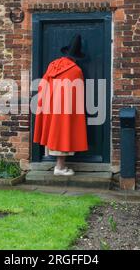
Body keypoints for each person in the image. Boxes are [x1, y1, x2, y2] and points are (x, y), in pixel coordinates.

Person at [33, 34, 88, 176]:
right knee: (63, 134)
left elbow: (42, 86)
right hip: (65, 108)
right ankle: (60, 167)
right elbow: (77, 94)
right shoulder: (76, 70)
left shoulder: (52, 65)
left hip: (50, 106)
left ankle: (60, 166)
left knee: (54, 133)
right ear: (76, 56)